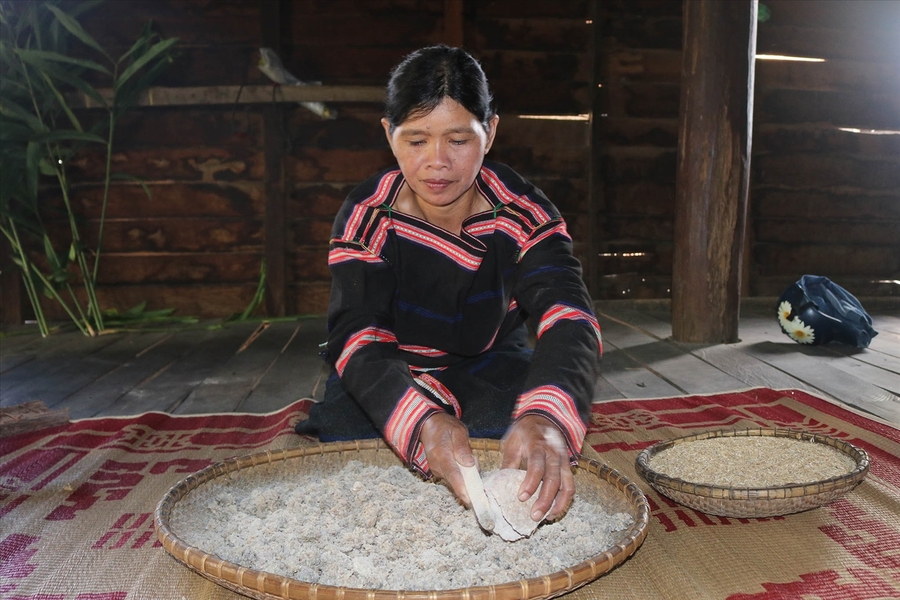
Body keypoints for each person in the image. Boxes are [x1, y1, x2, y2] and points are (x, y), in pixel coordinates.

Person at [295, 45, 602, 525]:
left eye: (458, 140)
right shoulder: (367, 215)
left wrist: (544, 419)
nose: (437, 162)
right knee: (345, 432)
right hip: (392, 363)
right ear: (388, 135)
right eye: (416, 141)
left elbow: (570, 317)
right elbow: (358, 334)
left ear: (491, 131)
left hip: (488, 359)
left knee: (518, 426)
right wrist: (424, 423)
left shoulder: (524, 213)